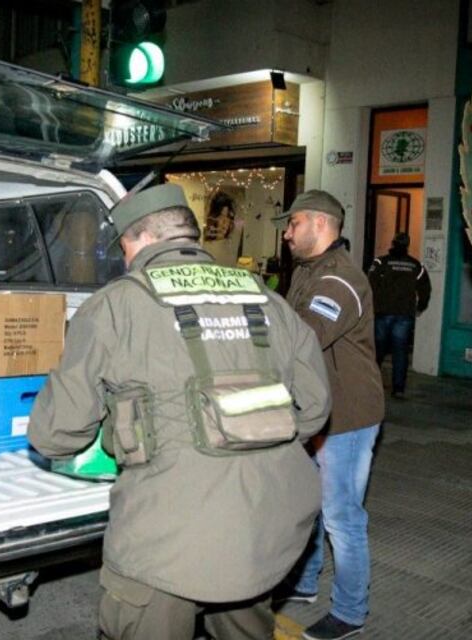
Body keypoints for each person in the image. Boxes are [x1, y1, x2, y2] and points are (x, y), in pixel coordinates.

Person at [28, 183, 332, 640]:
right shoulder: (265, 298)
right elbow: (316, 408)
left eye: (125, 248)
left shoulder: (114, 306)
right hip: (263, 531)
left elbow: (55, 435)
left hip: (163, 544)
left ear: (140, 240)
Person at [272, 190, 385, 640]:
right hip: (317, 410)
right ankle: (304, 582)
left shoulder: (339, 279)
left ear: (320, 224)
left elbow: (306, 335)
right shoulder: (308, 271)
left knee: (342, 514)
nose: (286, 232)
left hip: (348, 416)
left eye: (293, 223)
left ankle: (351, 612)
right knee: (310, 503)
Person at [367, 232, 431, 397]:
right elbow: (425, 288)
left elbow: (369, 283)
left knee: (377, 351)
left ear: (393, 243)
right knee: (400, 352)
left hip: (382, 312)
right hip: (404, 314)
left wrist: (370, 305)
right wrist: (420, 306)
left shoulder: (381, 262)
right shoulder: (415, 265)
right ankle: (398, 389)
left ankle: (371, 385)